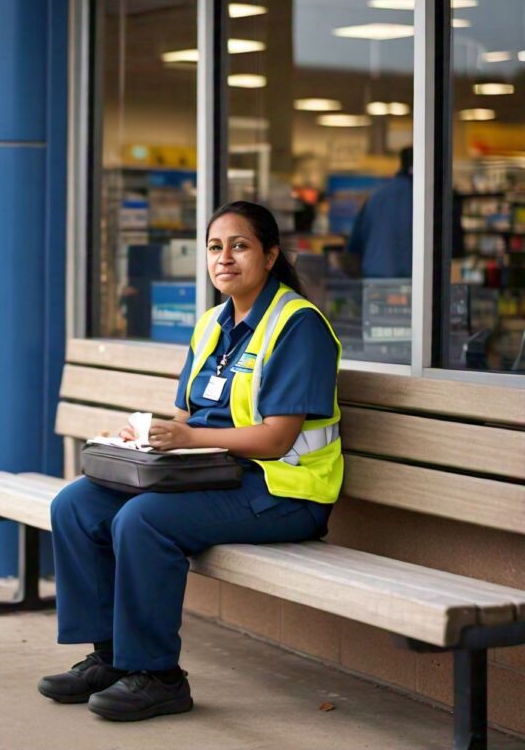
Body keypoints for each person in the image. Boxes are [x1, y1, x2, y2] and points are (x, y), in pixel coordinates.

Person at [38, 200, 343, 721]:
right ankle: (111, 658)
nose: (225, 257)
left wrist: (187, 437)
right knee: (77, 504)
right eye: (215, 247)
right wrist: (144, 436)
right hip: (214, 476)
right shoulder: (211, 325)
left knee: (143, 519)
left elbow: (276, 438)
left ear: (270, 256)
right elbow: (186, 414)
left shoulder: (296, 325)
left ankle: (158, 675)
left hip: (283, 490)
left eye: (240, 245)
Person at [348, 147, 413, 277]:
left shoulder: (377, 196)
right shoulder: (427, 200)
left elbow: (355, 244)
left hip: (376, 279)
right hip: (415, 280)